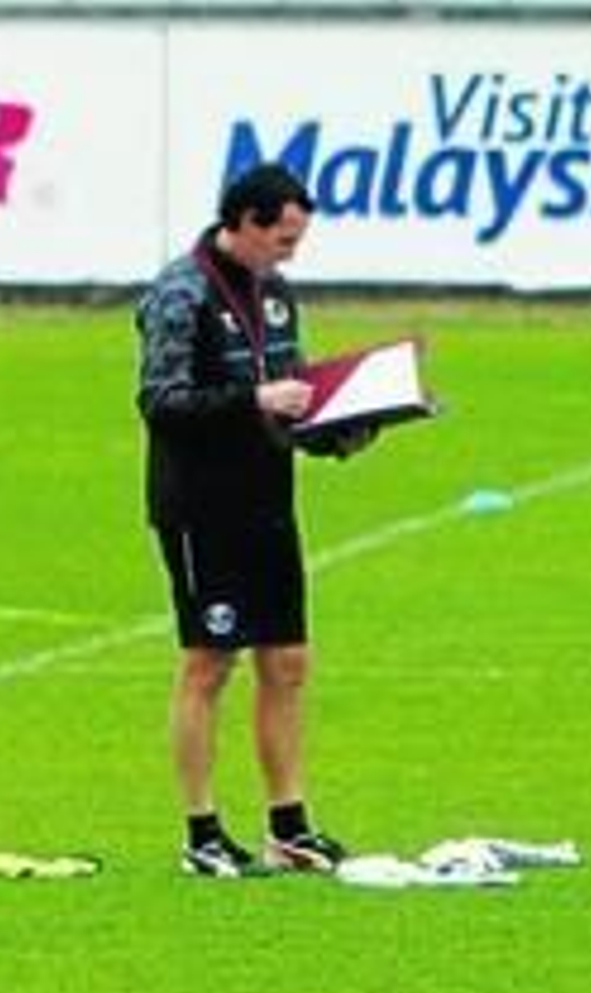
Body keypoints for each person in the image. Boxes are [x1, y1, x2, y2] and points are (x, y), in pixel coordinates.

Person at [135, 163, 367, 878]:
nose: (290, 253)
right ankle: (201, 832)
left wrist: (338, 428)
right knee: (209, 663)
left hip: (269, 501)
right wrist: (256, 403)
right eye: (284, 239)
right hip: (202, 507)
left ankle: (288, 825)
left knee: (288, 662)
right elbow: (162, 401)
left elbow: (287, 400)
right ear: (244, 222)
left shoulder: (276, 296)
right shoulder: (181, 293)